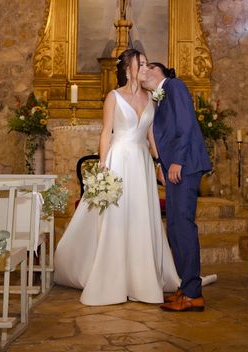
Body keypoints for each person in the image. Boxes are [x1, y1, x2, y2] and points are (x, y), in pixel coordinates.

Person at [54, 49, 179, 305]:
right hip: (118, 160)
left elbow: (151, 136)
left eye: (146, 64)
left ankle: (142, 279)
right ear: (128, 69)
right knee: (117, 217)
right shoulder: (113, 97)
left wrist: (159, 163)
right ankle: (113, 278)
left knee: (140, 216)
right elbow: (106, 133)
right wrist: (102, 164)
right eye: (141, 64)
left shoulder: (152, 98)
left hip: (141, 162)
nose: (146, 69)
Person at [142, 63, 211, 312]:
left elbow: (185, 125)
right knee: (174, 227)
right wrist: (161, 163)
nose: (141, 74)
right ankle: (185, 286)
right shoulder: (159, 97)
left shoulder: (175, 85)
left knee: (182, 226)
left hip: (185, 165)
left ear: (155, 71)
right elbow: (165, 135)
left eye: (145, 68)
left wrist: (177, 161)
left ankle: (193, 293)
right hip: (174, 167)